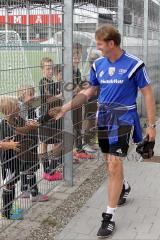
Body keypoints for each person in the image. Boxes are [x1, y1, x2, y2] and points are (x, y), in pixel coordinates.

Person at [50, 25, 156, 238]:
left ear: (111, 44)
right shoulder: (98, 65)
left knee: (114, 165)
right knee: (111, 164)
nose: (97, 48)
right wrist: (65, 107)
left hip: (124, 120)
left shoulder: (135, 64)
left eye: (99, 44)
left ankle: (108, 217)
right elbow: (89, 91)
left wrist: (151, 126)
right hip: (104, 120)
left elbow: (147, 94)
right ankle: (123, 187)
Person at [17, 85, 49, 202]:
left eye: (33, 94)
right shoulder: (23, 109)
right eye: (30, 94)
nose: (33, 96)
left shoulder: (27, 107)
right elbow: (25, 125)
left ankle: (24, 189)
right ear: (22, 96)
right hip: (28, 142)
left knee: (25, 165)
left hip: (30, 141)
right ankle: (34, 193)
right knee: (30, 166)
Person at [39, 57, 63, 181]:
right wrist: (60, 96)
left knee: (56, 141)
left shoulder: (53, 83)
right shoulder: (43, 82)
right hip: (45, 116)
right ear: (42, 70)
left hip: (54, 116)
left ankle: (51, 169)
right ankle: (47, 169)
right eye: (47, 68)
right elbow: (48, 99)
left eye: (51, 68)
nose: (50, 71)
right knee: (44, 142)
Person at [0, 97, 23, 220]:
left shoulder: (14, 121)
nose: (19, 106)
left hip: (15, 159)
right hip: (8, 161)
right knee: (9, 184)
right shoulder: (4, 125)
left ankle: (10, 207)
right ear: (10, 110)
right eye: (16, 106)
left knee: (12, 183)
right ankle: (6, 212)